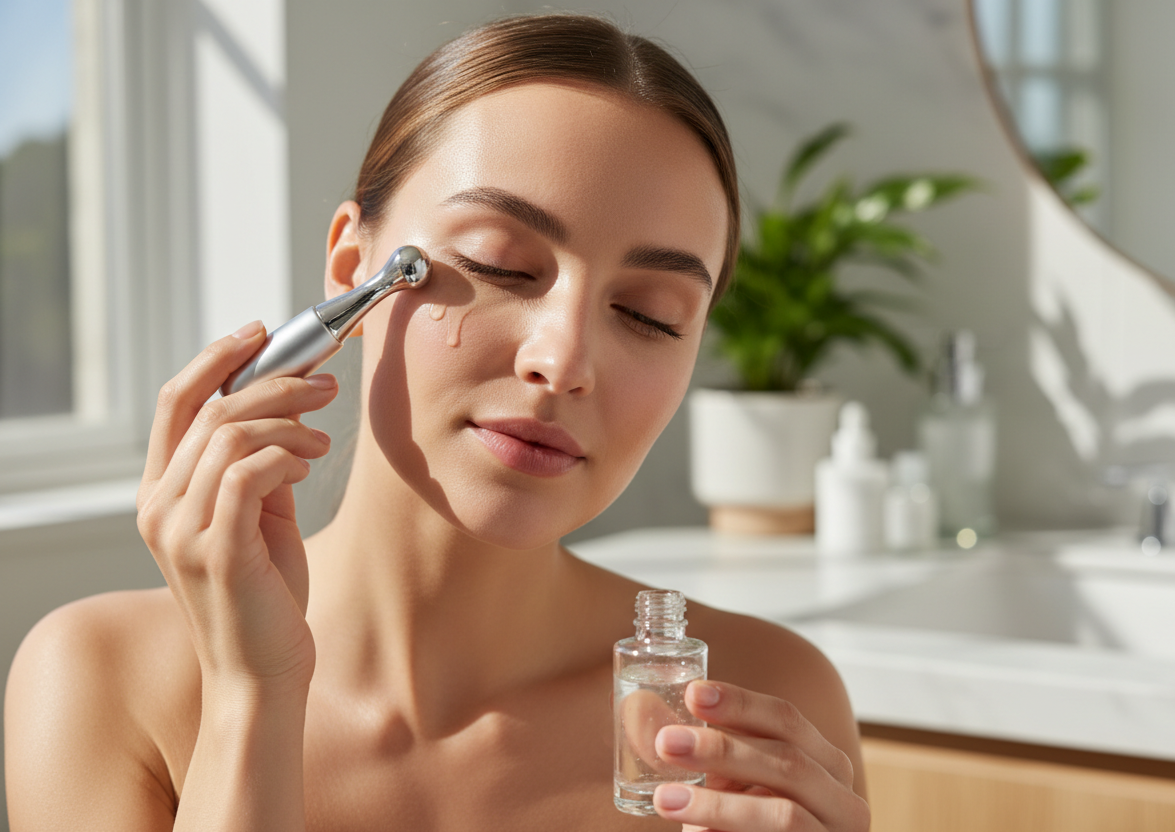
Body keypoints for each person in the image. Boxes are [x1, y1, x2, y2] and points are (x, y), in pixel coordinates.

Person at [5, 13, 869, 831]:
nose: (563, 360)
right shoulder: (99, 680)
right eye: (499, 264)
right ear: (353, 265)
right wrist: (250, 692)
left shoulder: (755, 705)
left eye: (649, 315)